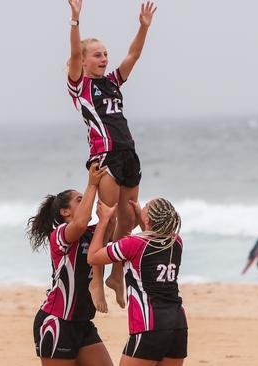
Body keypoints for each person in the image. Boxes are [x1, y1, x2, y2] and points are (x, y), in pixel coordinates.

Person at [66, 0, 158, 309]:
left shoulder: (113, 82)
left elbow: (134, 54)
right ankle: (96, 280)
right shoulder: (80, 86)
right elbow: (74, 54)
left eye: (105, 54)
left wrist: (143, 27)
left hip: (128, 153)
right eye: (98, 54)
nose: (104, 58)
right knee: (104, 219)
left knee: (128, 217)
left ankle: (117, 274)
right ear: (84, 60)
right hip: (104, 156)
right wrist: (76, 21)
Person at [27, 163, 113, 365]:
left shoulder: (93, 234)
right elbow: (80, 223)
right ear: (65, 211)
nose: (86, 203)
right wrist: (91, 184)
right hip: (56, 321)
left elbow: (113, 223)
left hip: (83, 322)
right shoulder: (60, 235)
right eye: (80, 200)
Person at [87, 198, 187, 366]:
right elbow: (154, 240)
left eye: (147, 206)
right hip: (178, 324)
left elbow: (93, 257)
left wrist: (103, 221)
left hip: (150, 325)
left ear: (148, 219)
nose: (144, 205)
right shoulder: (175, 242)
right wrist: (143, 216)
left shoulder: (133, 244)